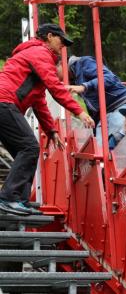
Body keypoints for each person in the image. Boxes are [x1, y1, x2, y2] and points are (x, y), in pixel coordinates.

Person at [0, 23, 94, 216]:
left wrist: (51, 131)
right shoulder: (39, 53)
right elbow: (54, 86)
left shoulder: (35, 57)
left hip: (5, 104)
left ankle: (19, 200)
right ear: (50, 36)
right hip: (3, 101)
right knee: (29, 148)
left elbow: (39, 102)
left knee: (25, 151)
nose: (63, 46)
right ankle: (9, 198)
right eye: (61, 41)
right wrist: (80, 112)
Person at [58, 55, 126, 145]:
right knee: (100, 148)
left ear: (61, 63)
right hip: (103, 114)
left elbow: (109, 78)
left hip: (117, 104)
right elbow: (92, 104)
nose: (55, 77)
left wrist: (83, 87)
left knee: (114, 144)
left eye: (54, 72)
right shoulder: (74, 78)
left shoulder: (84, 62)